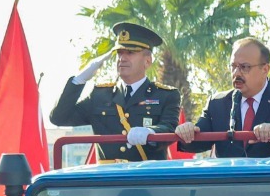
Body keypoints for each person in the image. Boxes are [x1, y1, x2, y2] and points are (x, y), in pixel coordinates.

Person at [49, 23, 180, 162]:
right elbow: (59, 118)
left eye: (130, 53)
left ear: (147, 61)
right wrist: (78, 81)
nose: (122, 58)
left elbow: (169, 128)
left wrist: (151, 132)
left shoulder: (165, 95)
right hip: (109, 179)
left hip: (145, 179)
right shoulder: (100, 95)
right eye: (119, 53)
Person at [174, 37, 270, 158]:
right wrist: (185, 132)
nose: (236, 73)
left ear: (265, 69)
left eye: (245, 67)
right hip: (229, 183)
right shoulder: (217, 103)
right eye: (233, 66)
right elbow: (198, 141)